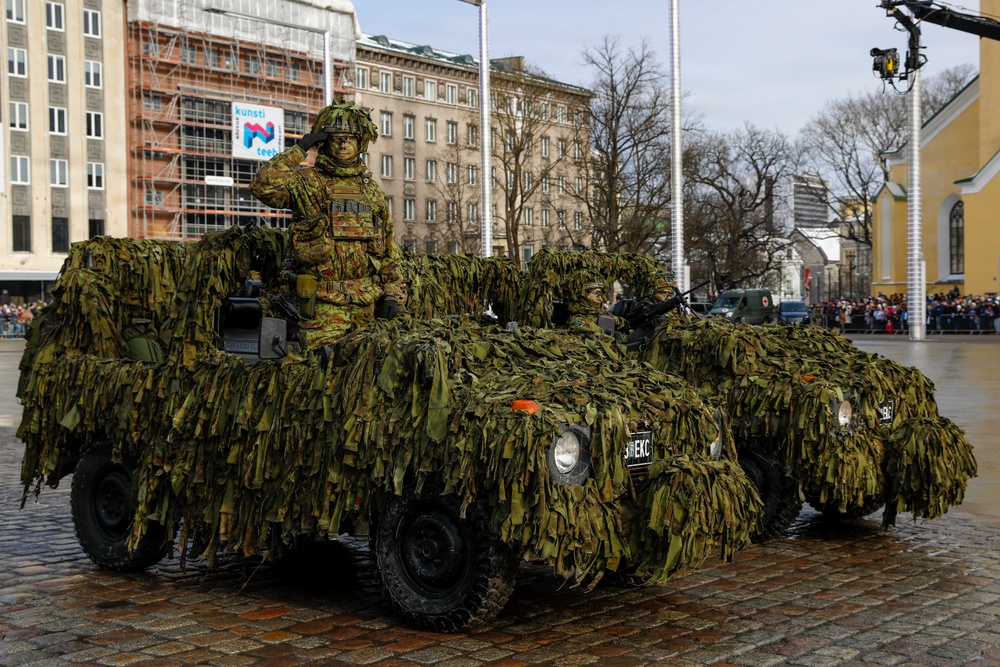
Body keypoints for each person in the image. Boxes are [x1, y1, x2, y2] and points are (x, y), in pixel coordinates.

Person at [250, 101, 407, 349]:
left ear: (360, 143)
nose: (343, 143)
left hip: (365, 305)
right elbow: (262, 186)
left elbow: (389, 249)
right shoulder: (306, 183)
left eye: (350, 138)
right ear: (324, 142)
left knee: (362, 378)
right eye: (335, 138)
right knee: (322, 377)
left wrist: (392, 294)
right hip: (322, 305)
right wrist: (301, 148)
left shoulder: (371, 191)